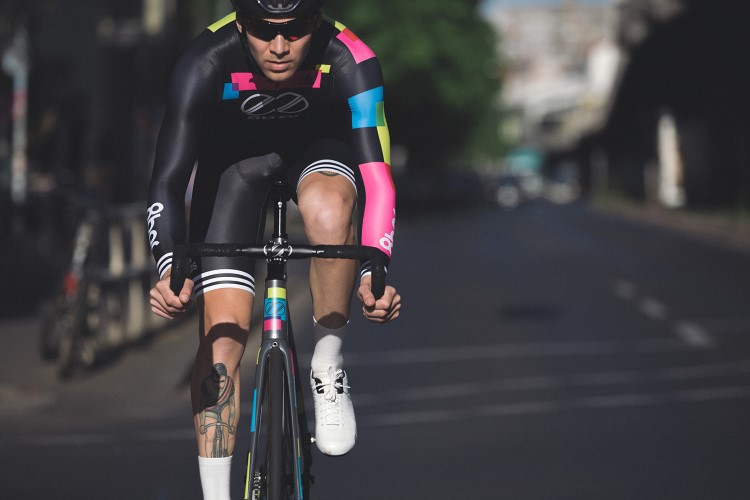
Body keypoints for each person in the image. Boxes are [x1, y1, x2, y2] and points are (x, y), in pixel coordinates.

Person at [146, 0, 401, 498]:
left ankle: (328, 362)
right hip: (233, 168)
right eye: (264, 31)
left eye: (296, 30)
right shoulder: (204, 58)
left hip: (321, 153)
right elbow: (168, 182)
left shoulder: (352, 57)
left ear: (317, 23)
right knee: (222, 343)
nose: (280, 46)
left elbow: (379, 180)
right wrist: (168, 265)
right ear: (241, 24)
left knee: (328, 210)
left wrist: (377, 269)